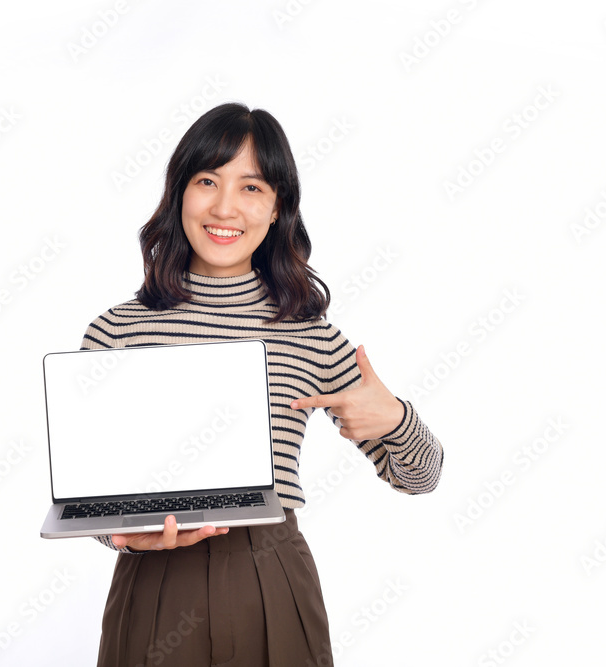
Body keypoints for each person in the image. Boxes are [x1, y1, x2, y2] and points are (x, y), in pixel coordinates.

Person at [78, 102, 444, 666]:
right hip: (153, 581)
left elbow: (422, 477)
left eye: (252, 187)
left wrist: (395, 419)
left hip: (269, 573)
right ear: (179, 195)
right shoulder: (116, 332)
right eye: (207, 181)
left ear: (277, 209)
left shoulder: (311, 335)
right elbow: (92, 502)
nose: (226, 207)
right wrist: (123, 537)